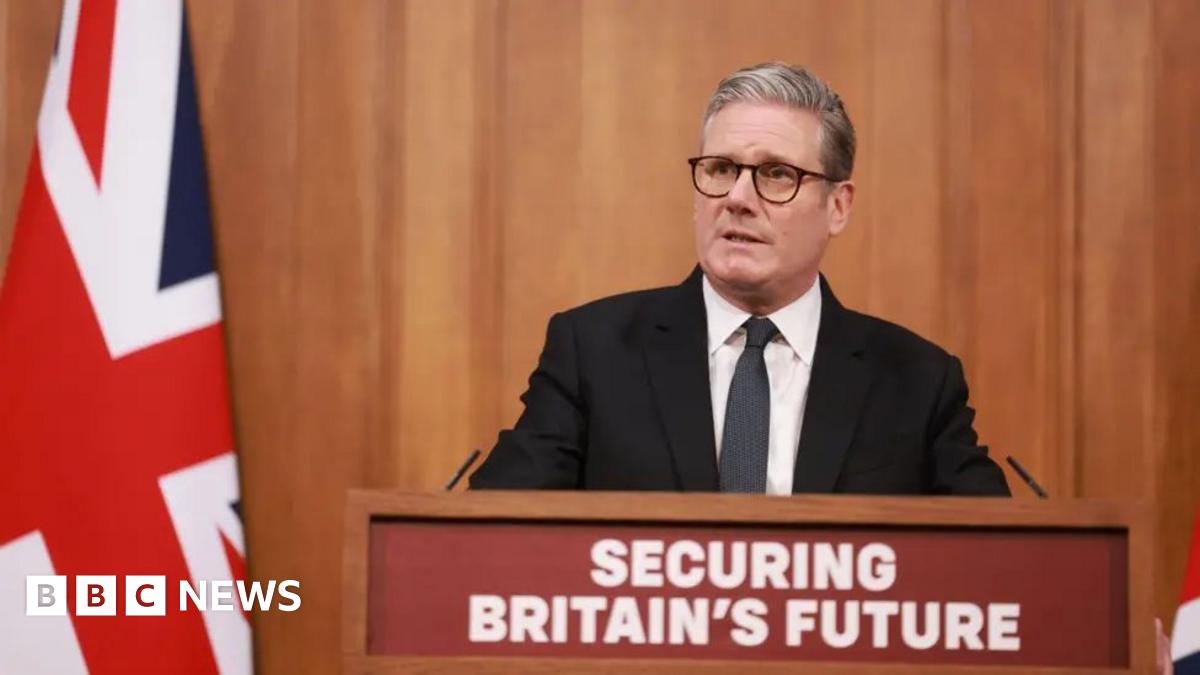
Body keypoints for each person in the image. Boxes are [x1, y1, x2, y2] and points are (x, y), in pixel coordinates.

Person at [470, 62, 1009, 496]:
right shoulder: (594, 351)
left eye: (777, 174)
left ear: (838, 207)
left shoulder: (917, 381)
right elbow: (493, 539)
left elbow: (1003, 564)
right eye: (721, 169)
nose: (737, 199)